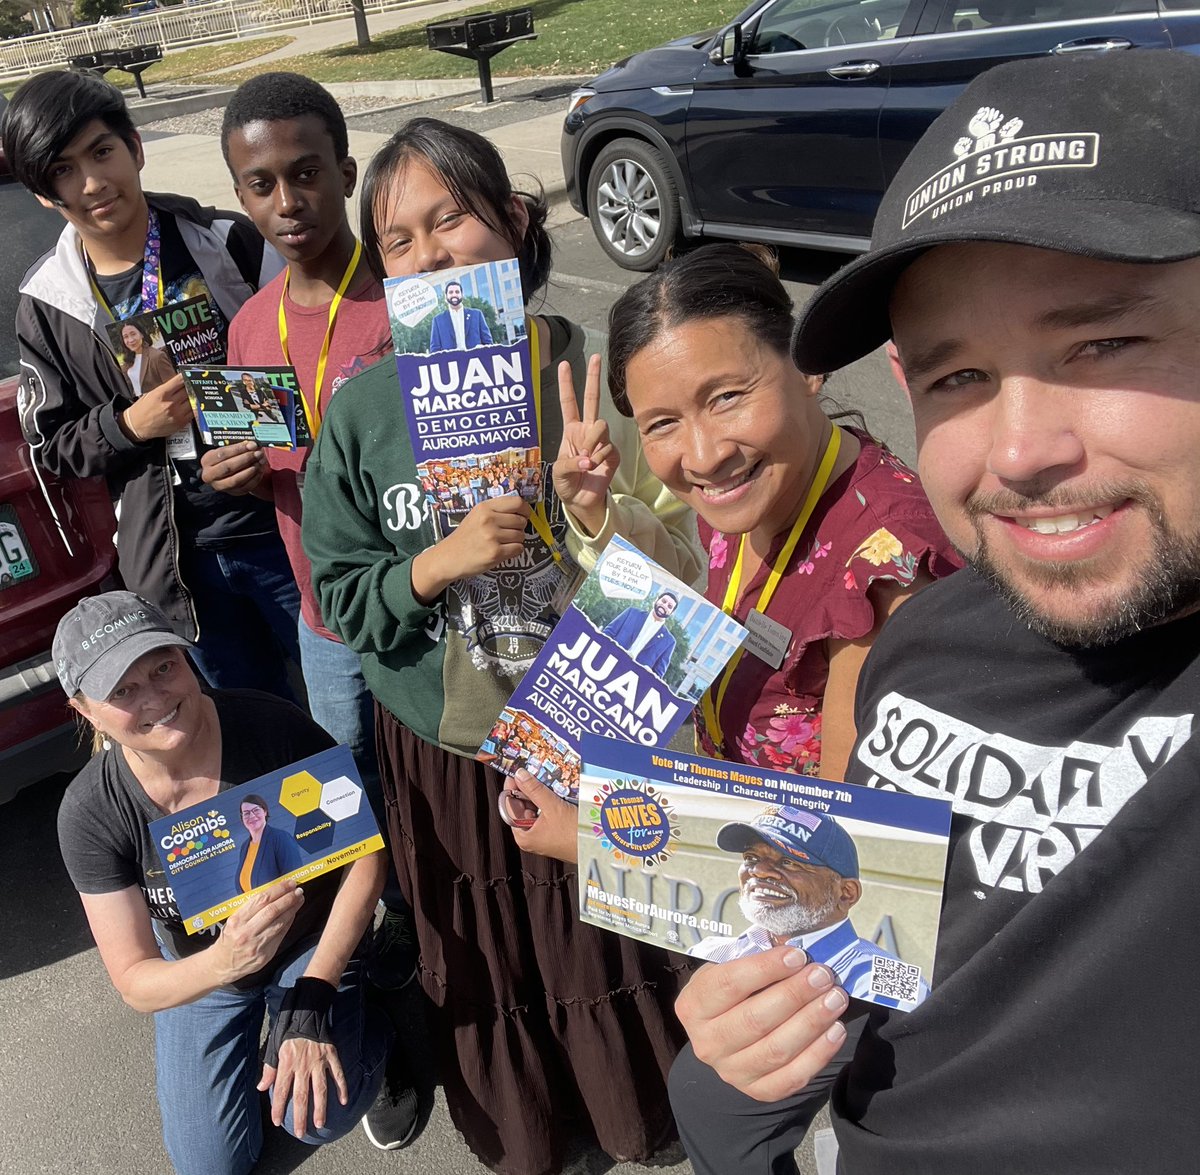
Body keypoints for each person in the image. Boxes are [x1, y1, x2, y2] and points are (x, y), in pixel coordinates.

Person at [674, 50, 1200, 1175]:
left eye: (1101, 343)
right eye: (959, 377)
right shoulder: (924, 643)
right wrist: (736, 1069)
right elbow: (844, 971)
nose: (1019, 451)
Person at [301, 116, 704, 1175]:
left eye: (453, 219)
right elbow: (342, 596)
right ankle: (537, 1136)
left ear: (515, 222)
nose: (431, 254)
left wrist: (594, 508)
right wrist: (436, 562)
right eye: (398, 240)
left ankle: (648, 1114)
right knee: (487, 963)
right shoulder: (363, 411)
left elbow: (684, 576)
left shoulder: (592, 373)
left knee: (607, 939)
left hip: (587, 726)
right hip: (444, 749)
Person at [53, 591, 416, 1174]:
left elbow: (365, 855)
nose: (156, 698)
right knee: (209, 1167)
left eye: (163, 666)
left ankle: (373, 1027)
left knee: (319, 1117)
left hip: (308, 944)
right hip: (207, 967)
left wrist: (316, 992)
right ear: (84, 708)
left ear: (184, 655)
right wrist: (225, 962)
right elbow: (137, 983)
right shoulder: (91, 812)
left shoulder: (268, 725)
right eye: (122, 691)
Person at [197, 74, 415, 992]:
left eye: (307, 173)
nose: (287, 202)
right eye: (261, 185)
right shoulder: (248, 329)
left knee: (446, 782)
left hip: (423, 607)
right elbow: (256, 455)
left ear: (345, 170)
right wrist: (228, 475)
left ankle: (471, 927)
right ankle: (384, 945)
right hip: (325, 620)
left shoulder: (411, 297)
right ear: (240, 195)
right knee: (350, 793)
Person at [4, 72, 302, 699]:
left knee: (346, 713)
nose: (92, 183)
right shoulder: (47, 303)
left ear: (136, 148)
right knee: (244, 730)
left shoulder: (227, 243)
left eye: (102, 152)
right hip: (177, 563)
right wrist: (130, 424)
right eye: (62, 170)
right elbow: (53, 447)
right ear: (41, 192)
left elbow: (310, 365)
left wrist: (268, 454)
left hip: (282, 526)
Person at [689, 806, 927, 1010]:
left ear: (846, 893)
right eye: (751, 858)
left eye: (788, 862)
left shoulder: (896, 985)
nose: (759, 871)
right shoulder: (710, 952)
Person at [602, 588, 678, 675]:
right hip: (607, 661)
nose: (665, 605)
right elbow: (607, 634)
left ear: (671, 613)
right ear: (656, 600)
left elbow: (658, 674)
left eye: (670, 606)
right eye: (663, 601)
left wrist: (649, 675)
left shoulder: (669, 642)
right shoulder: (632, 613)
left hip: (630, 680)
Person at [236, 793, 303, 891]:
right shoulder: (244, 847)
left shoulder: (280, 837)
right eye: (246, 813)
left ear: (265, 811)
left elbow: (295, 879)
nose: (252, 816)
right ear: (242, 818)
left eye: (256, 810)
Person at [427, 278, 493, 352]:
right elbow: (435, 349)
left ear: (462, 295)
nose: (454, 294)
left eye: (457, 292)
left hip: (476, 361)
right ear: (446, 296)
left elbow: (488, 343)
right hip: (451, 362)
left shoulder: (477, 315)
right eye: (451, 292)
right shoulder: (438, 320)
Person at [115, 320, 174, 395]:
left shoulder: (157, 356)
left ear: (141, 334)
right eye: (126, 337)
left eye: (133, 334)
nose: (130, 340)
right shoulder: (127, 361)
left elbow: (173, 386)